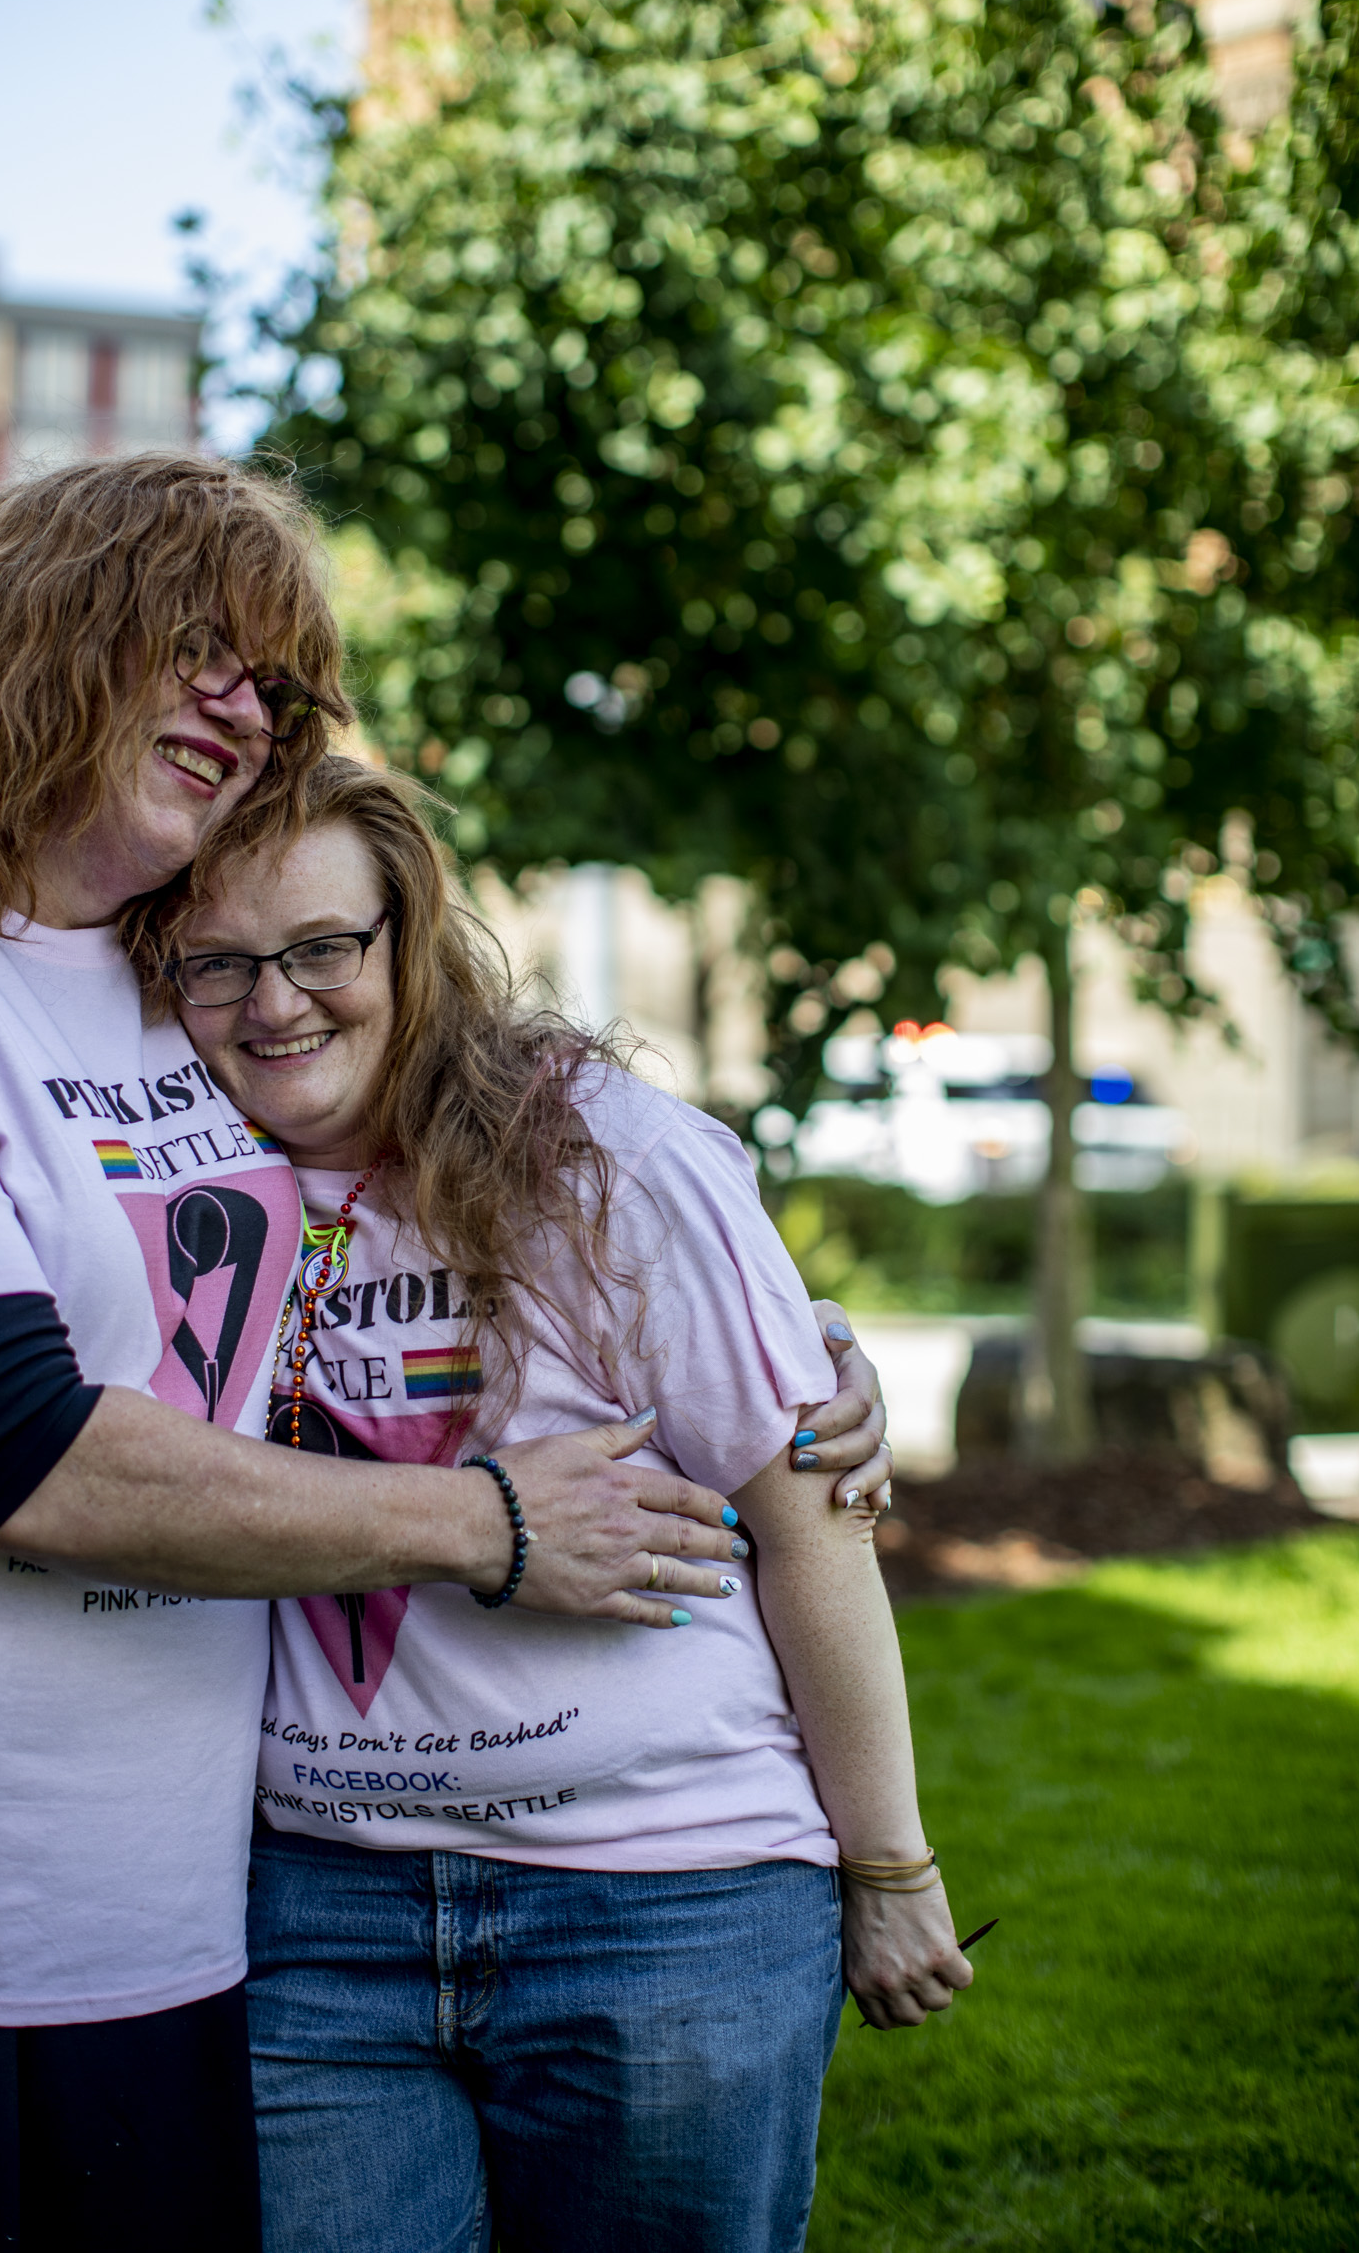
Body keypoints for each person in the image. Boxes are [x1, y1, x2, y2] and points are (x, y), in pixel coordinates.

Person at [0, 454, 804, 2252]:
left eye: (275, 681)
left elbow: (414, 1185)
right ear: (39, 633)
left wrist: (770, 1337)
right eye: (199, 649)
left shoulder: (170, 963)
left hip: (190, 1913)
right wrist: (489, 1524)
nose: (245, 708)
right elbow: (12, 1449)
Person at [155, 753, 968, 2253]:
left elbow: (808, 1518)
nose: (274, 1004)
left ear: (411, 940)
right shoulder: (167, 1191)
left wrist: (890, 1864)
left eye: (323, 949)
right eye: (217, 965)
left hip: (666, 1900)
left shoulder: (601, 1157)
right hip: (317, 1916)